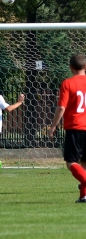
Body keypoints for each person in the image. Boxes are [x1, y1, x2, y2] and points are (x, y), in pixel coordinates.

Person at [49, 53, 86, 203]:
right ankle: (84, 196)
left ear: (71, 68)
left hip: (75, 127)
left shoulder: (68, 83)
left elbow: (61, 108)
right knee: (84, 163)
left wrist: (53, 126)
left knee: (71, 162)